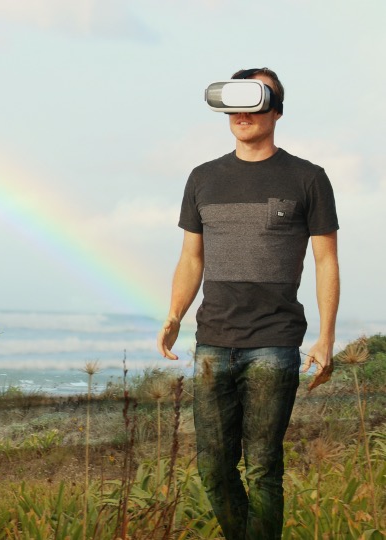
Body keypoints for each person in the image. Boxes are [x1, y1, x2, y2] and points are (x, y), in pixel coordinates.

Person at [157, 67, 340, 539]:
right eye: (233, 101)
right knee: (213, 470)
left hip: (274, 343)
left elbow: (325, 261)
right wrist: (175, 314)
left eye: (255, 100)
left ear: (276, 109)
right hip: (213, 342)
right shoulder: (202, 178)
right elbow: (190, 257)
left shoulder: (309, 178)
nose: (242, 112)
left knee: (261, 467)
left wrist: (326, 338)